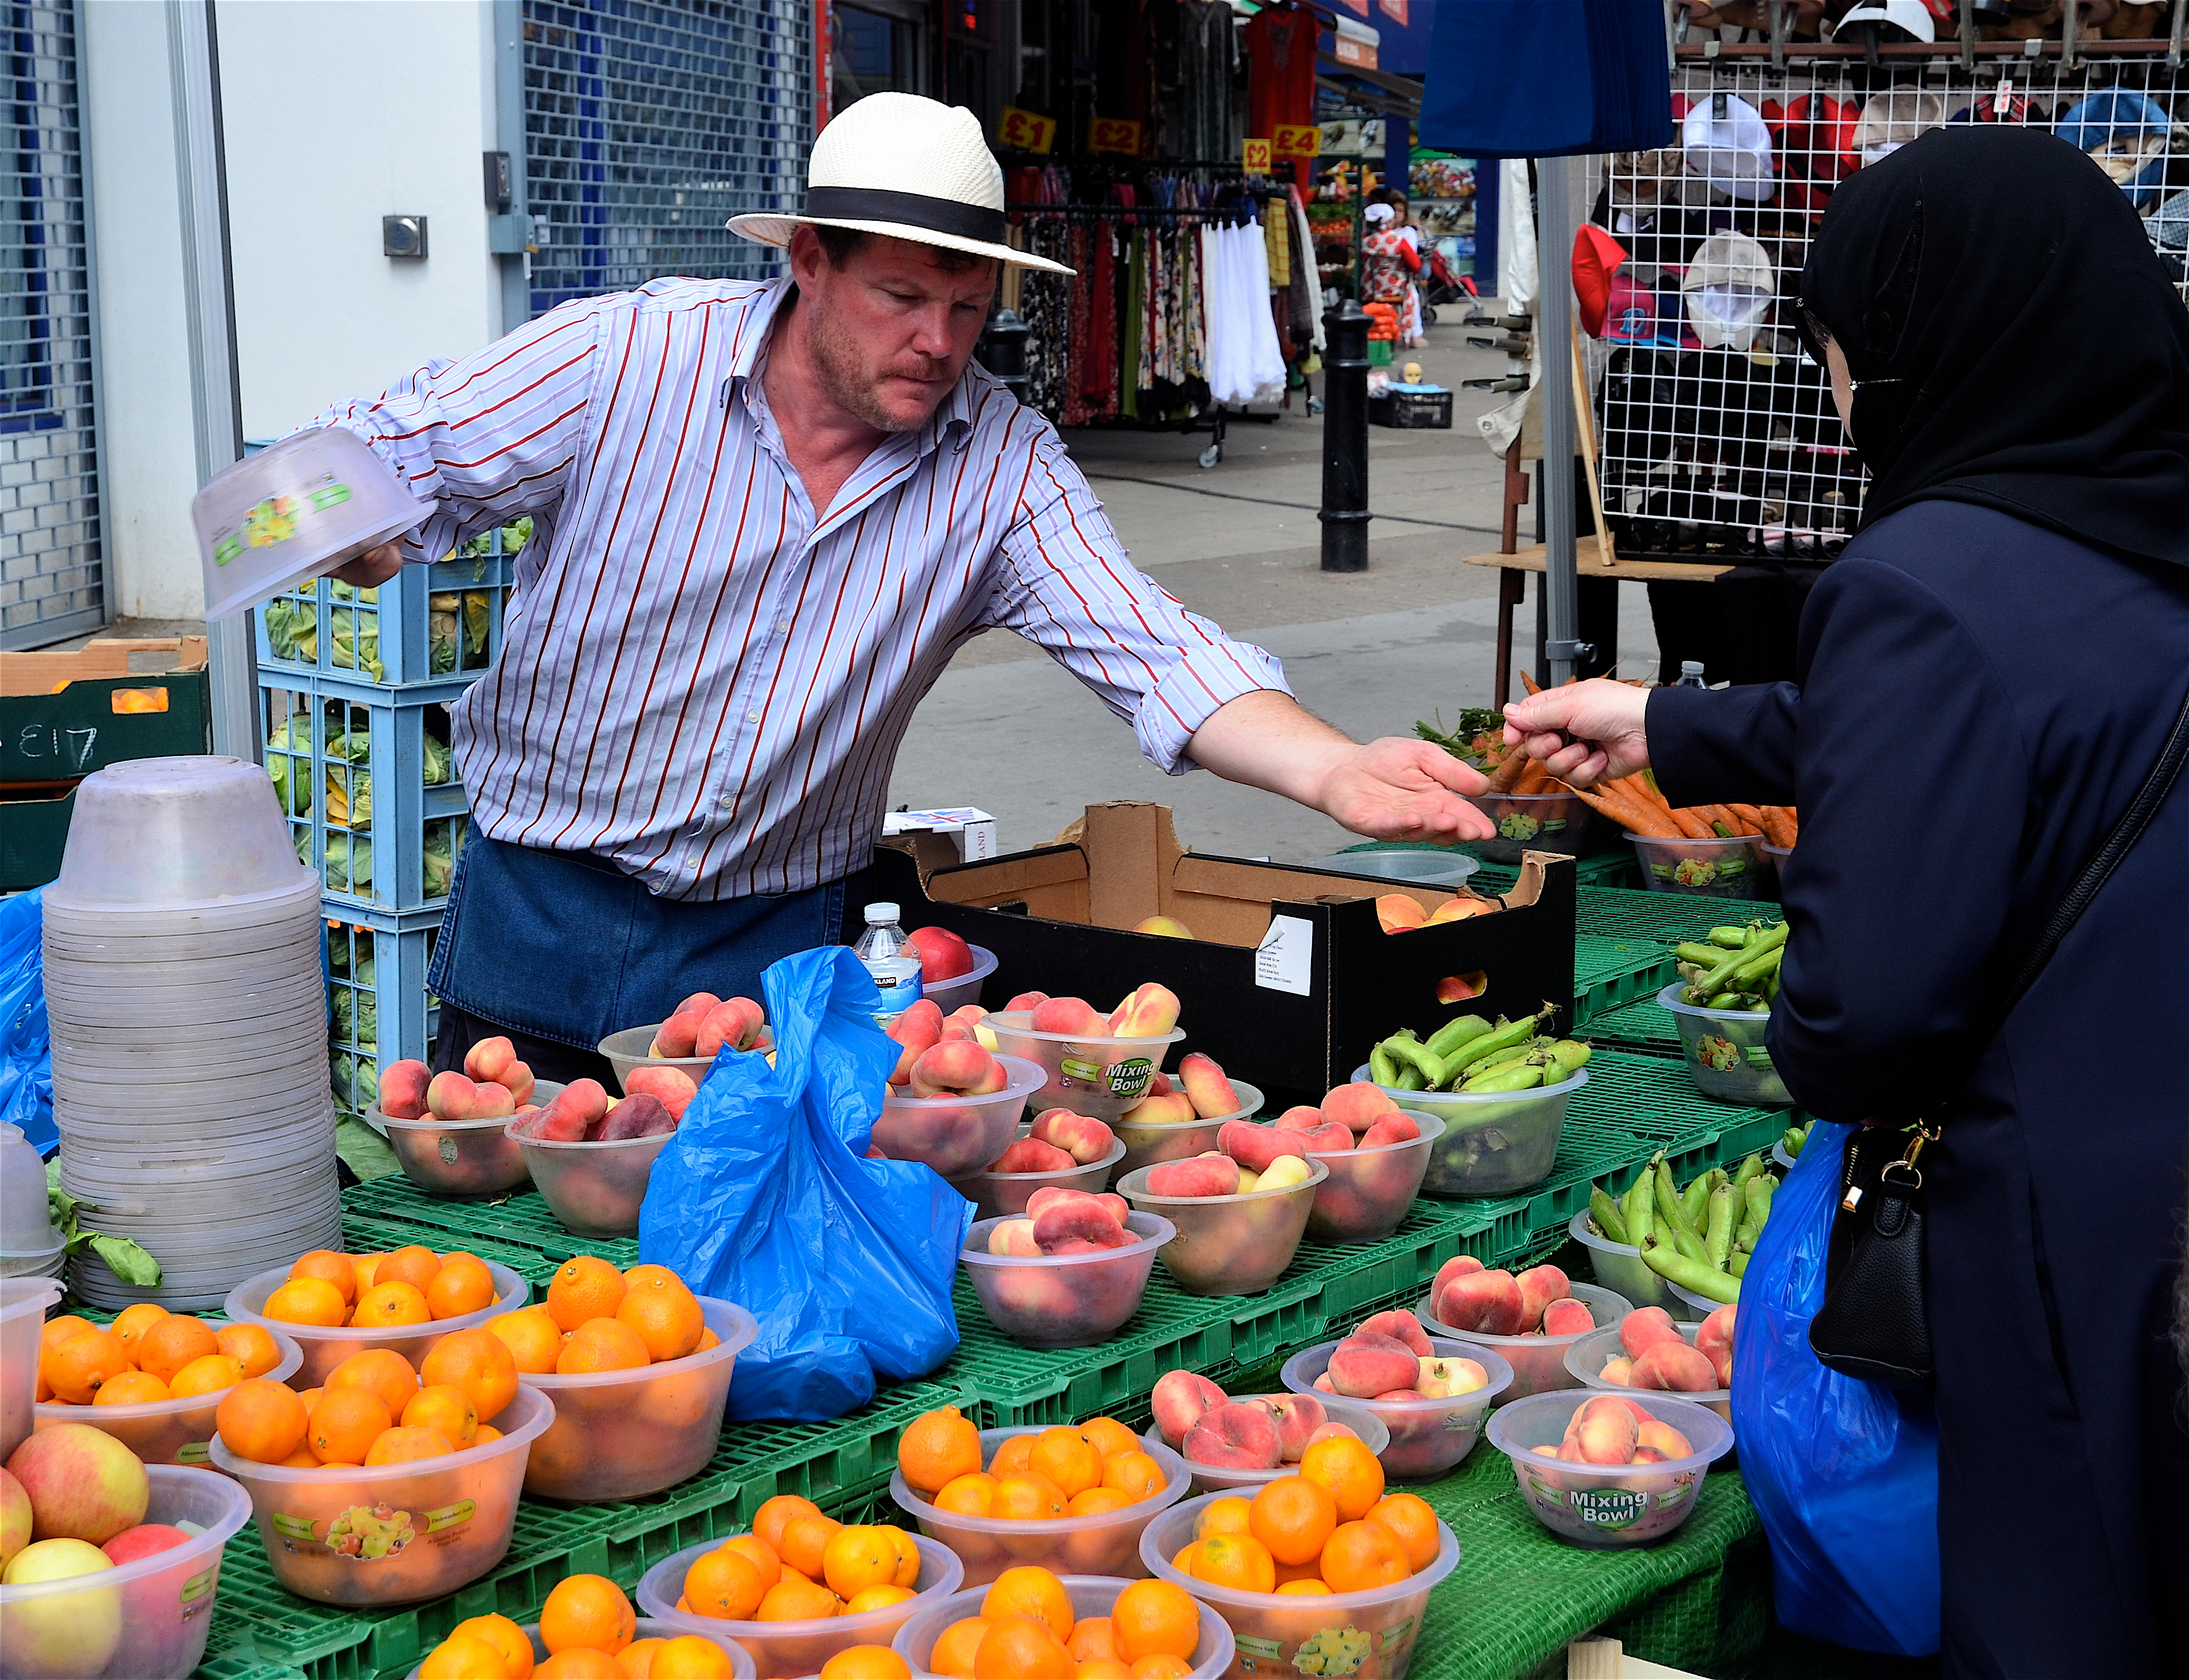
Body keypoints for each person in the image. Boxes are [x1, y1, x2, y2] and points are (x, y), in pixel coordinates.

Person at [312, 93, 1493, 1083]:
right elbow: (386, 452)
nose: (939, 341)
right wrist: (339, 525)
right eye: (902, 298)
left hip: (775, 939)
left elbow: (1156, 649)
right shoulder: (623, 359)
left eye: (968, 307)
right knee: (519, 1244)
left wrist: (1334, 768)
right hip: (540, 913)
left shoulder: (999, 462)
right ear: (810, 262)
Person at [1505, 127, 2189, 1678]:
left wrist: (1824, 944)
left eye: (1831, 349)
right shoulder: (2129, 520)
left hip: (2055, 1242)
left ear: (1916, 348)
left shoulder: (1918, 574)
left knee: (2066, 1611)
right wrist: (1669, 725)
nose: (1828, 389)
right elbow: (2041, 713)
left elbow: (1858, 1021)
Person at [1359, 189, 1426, 347]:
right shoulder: (1399, 241)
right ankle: (1410, 333)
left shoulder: (1365, 241)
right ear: (1388, 221)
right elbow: (1416, 266)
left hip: (1371, 289)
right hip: (1395, 289)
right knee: (1412, 293)